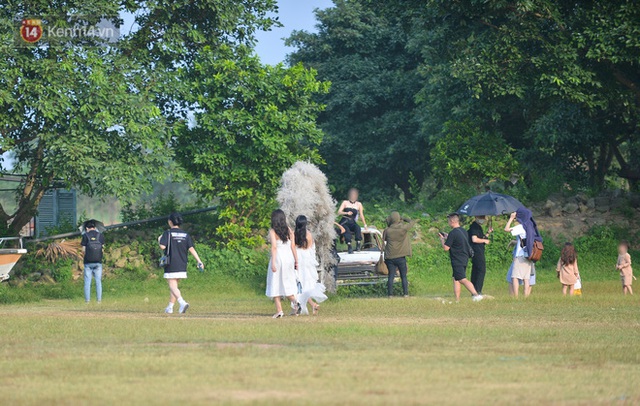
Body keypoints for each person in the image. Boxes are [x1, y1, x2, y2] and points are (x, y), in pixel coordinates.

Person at [158, 212, 204, 314]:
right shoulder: (185, 234)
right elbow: (191, 248)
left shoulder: (167, 233)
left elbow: (162, 246)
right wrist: (199, 261)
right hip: (182, 263)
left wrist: (159, 240)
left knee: (172, 286)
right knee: (174, 286)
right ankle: (170, 307)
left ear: (170, 222)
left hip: (171, 263)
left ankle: (182, 302)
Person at [439, 213, 483, 302]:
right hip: (464, 257)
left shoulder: (453, 233)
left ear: (452, 221)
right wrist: (448, 237)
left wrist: (442, 240)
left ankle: (476, 295)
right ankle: (457, 300)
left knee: (462, 279)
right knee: (456, 278)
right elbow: (458, 241)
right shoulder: (463, 231)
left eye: (448, 221)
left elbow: (446, 248)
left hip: (457, 259)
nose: (448, 223)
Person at [266, 209, 300, 318]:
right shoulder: (289, 230)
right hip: (289, 258)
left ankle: (279, 310)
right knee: (287, 282)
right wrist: (296, 261)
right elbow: (293, 246)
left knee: (275, 283)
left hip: (279, 257)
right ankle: (295, 302)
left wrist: (273, 263)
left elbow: (274, 247)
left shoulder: (273, 231)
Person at [294, 215, 327, 315]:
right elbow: (311, 248)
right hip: (307, 260)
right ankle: (312, 305)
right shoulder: (309, 235)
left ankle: (303, 306)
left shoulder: (294, 235)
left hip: (298, 259)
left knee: (299, 285)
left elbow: (293, 247)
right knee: (305, 285)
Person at [504, 207, 541, 298]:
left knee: (515, 277)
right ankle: (525, 297)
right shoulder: (531, 226)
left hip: (520, 256)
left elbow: (506, 229)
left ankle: (516, 297)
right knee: (526, 278)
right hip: (529, 255)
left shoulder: (521, 227)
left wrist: (511, 218)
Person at [383, 211, 416, 298]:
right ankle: (405, 294)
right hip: (401, 256)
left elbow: (384, 239)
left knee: (391, 275)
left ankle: (390, 294)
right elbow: (412, 222)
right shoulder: (403, 229)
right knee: (403, 276)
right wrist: (404, 219)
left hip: (390, 256)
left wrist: (388, 222)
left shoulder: (387, 230)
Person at [337, 188, 368, 254]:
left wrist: (365, 224)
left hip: (352, 221)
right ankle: (349, 245)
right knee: (346, 230)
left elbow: (361, 215)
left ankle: (358, 244)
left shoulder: (359, 204)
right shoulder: (345, 202)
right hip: (345, 221)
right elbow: (339, 212)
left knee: (357, 228)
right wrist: (346, 213)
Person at [81, 220, 105, 303]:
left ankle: (87, 301)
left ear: (87, 228)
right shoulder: (100, 235)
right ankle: (99, 300)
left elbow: (83, 250)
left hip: (88, 262)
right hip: (98, 262)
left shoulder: (85, 236)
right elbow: (102, 248)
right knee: (98, 281)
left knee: (87, 282)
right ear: (95, 227)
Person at [468, 216, 493, 295]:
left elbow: (481, 238)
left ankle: (474, 290)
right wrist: (485, 240)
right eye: (481, 217)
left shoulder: (478, 227)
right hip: (476, 252)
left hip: (479, 251)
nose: (483, 219)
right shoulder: (474, 227)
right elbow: (474, 239)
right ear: (476, 217)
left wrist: (488, 233)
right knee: (481, 270)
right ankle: (478, 290)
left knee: (475, 270)